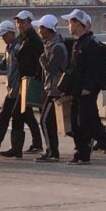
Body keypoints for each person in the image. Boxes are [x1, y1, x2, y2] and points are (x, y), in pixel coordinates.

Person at [59, 9, 106, 165]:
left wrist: (88, 87)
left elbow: (93, 68)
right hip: (77, 88)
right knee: (83, 121)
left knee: (84, 121)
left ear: (80, 24)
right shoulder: (79, 43)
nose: (69, 25)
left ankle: (87, 151)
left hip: (86, 89)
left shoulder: (91, 44)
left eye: (71, 22)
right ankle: (94, 147)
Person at [0, 14, 44, 158]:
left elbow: (24, 67)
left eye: (4, 35)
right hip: (13, 89)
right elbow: (6, 65)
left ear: (10, 33)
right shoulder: (10, 48)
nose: (2, 38)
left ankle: (1, 145)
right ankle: (34, 144)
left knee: (11, 116)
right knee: (26, 116)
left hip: (18, 88)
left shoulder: (19, 47)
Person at [33, 14, 67, 162]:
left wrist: (41, 59)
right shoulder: (49, 45)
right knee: (51, 122)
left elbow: (52, 69)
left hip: (56, 90)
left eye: (41, 28)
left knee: (45, 120)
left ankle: (52, 152)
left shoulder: (57, 48)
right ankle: (52, 151)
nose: (39, 31)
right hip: (51, 88)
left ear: (48, 29)